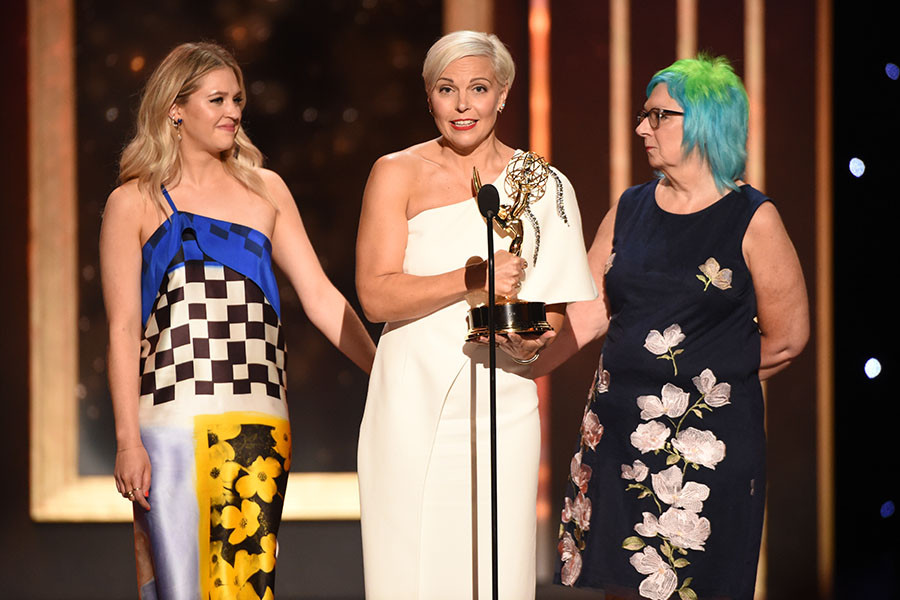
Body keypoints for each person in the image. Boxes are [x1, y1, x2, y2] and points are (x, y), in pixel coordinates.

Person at [99, 42, 375, 599]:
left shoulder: (265, 190)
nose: (234, 111)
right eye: (218, 99)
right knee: (180, 587)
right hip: (170, 425)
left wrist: (385, 368)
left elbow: (320, 297)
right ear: (175, 108)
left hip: (259, 423)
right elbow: (124, 330)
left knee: (246, 588)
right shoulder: (133, 202)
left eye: (238, 99)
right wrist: (128, 440)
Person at [537, 55, 809, 600]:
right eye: (643, 114)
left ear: (705, 122)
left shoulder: (753, 219)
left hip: (705, 452)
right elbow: (589, 313)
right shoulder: (629, 207)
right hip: (618, 441)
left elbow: (787, 339)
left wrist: (703, 376)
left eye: (659, 115)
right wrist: (519, 365)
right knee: (622, 583)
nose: (642, 127)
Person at [355, 31, 596, 599]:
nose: (463, 106)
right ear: (429, 96)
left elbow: (555, 316)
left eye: (478, 89)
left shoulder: (545, 187)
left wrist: (530, 344)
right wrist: (472, 280)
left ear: (503, 94)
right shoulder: (396, 172)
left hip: (500, 405)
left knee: (493, 571)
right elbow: (375, 295)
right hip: (407, 401)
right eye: (447, 89)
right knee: (406, 570)